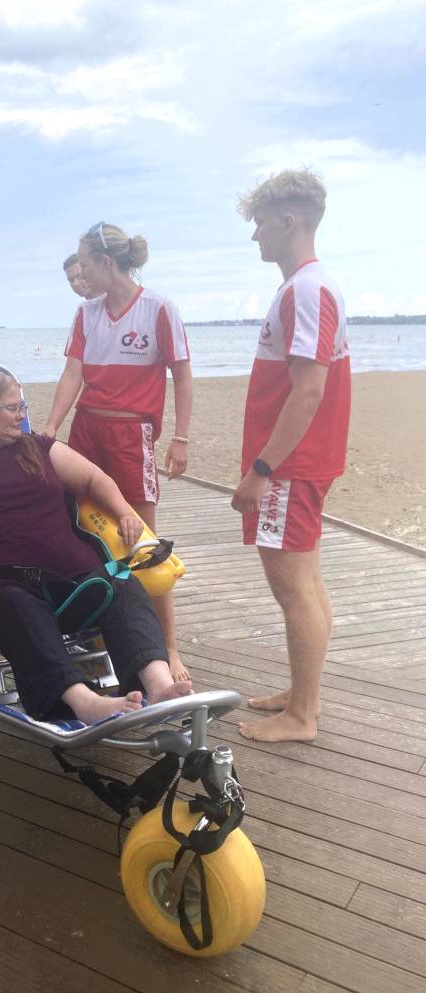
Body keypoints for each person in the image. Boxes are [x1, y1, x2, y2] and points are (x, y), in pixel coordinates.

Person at [0, 369, 193, 724]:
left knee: (123, 584)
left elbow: (94, 478)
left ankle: (158, 686)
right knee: (17, 604)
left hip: (73, 582)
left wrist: (124, 511)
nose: (22, 414)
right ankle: (82, 701)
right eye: (11, 407)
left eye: (23, 406)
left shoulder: (39, 447)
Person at [43, 222, 193, 684]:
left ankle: (168, 646)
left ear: (107, 263)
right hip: (88, 429)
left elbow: (182, 377)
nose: (81, 273)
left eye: (85, 263)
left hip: (133, 436)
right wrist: (51, 427)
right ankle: (98, 627)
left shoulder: (158, 307)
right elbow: (74, 373)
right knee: (83, 525)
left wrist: (180, 438)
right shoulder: (86, 314)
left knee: (144, 541)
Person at [232, 169, 351, 743]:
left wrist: (261, 470)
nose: (254, 235)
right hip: (301, 464)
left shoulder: (308, 288)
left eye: (259, 223)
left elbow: (309, 389)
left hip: (290, 468)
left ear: (288, 221)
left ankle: (302, 716)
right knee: (309, 581)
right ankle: (304, 695)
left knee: (293, 590)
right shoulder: (307, 287)